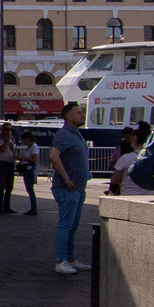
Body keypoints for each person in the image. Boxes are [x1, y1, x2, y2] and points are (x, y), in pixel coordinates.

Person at [49, 102, 94, 275]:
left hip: (78, 188)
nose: (82, 115)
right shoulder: (64, 134)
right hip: (68, 189)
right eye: (79, 113)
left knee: (73, 225)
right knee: (66, 225)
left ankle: (69, 258)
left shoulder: (76, 134)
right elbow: (53, 156)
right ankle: (61, 261)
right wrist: (67, 179)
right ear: (69, 116)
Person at [0, 125, 18, 215]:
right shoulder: (0, 138)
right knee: (2, 185)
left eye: (10, 129)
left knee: (10, 186)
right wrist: (7, 139)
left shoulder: (12, 139)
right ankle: (0, 207)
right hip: (3, 163)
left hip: (11, 163)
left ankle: (7, 206)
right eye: (7, 129)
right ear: (3, 129)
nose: (9, 131)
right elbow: (2, 149)